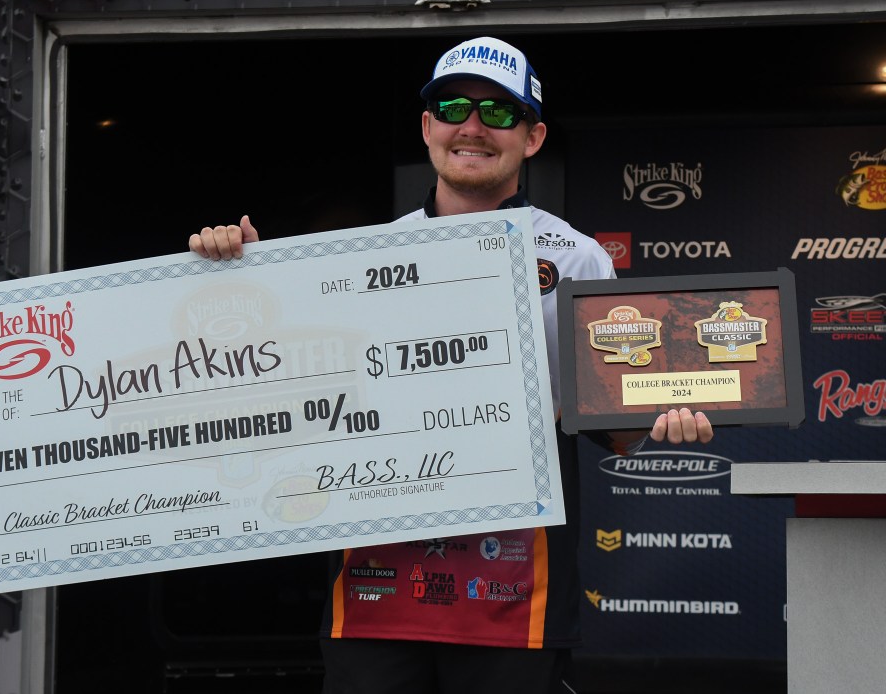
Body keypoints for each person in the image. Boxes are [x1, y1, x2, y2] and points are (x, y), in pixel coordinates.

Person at [190, 36, 713, 694]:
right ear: (427, 127)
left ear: (532, 136)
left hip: (513, 589)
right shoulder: (363, 257)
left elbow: (615, 426)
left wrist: (667, 412)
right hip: (377, 583)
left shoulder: (577, 259)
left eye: (498, 113)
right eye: (453, 107)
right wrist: (235, 277)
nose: (472, 127)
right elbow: (286, 392)